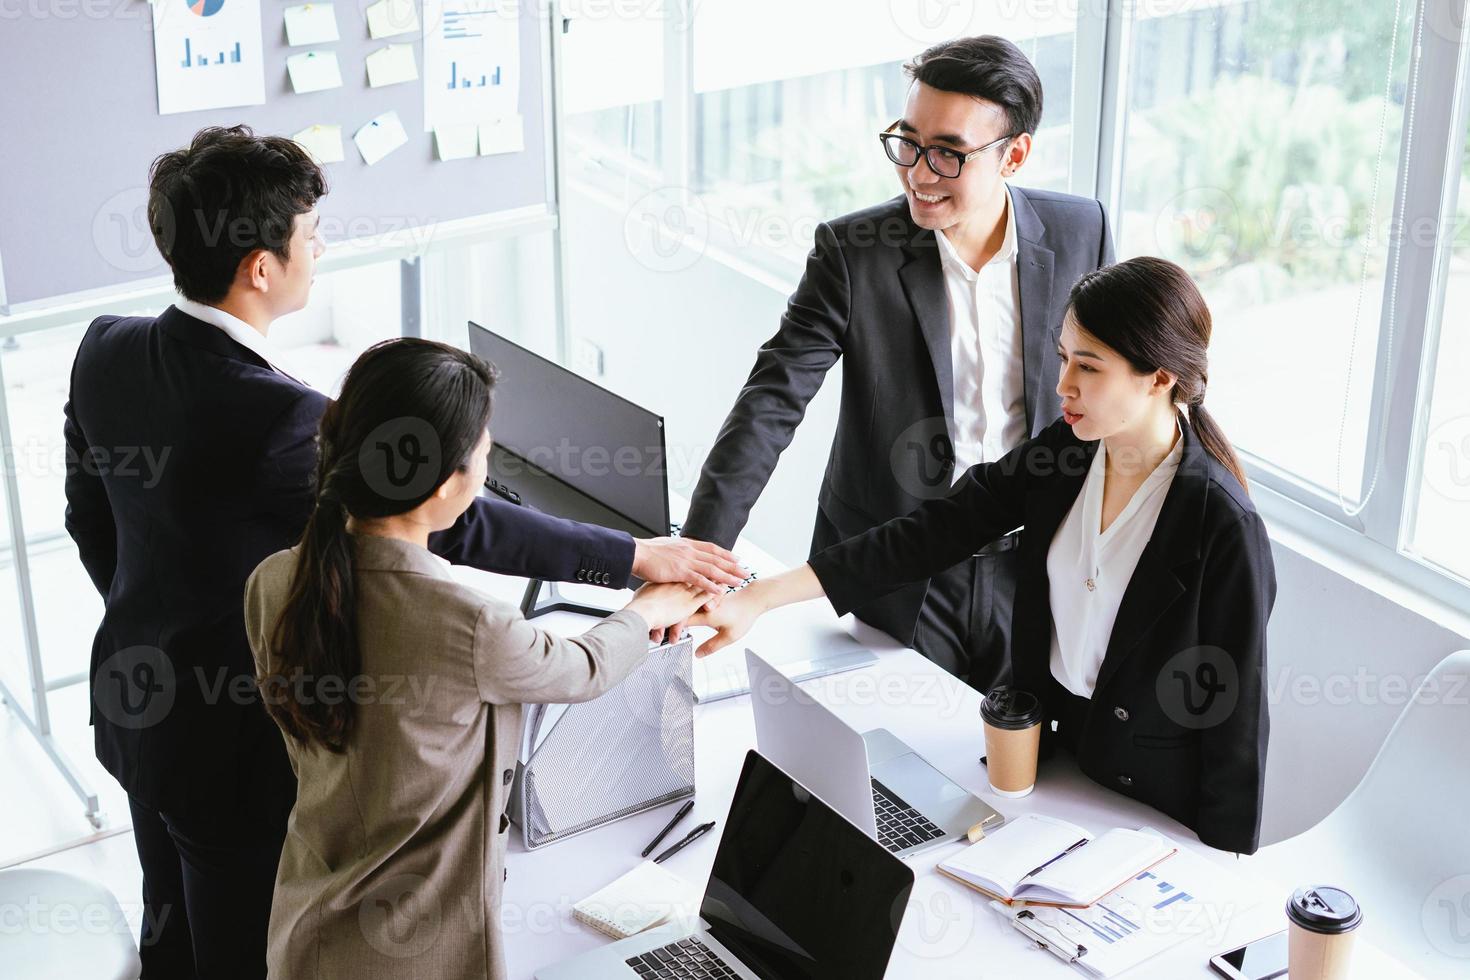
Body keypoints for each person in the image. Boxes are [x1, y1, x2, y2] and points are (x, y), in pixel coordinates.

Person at [62, 125, 742, 978]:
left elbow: (91, 520)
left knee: (170, 930)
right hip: (226, 746)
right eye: (309, 233)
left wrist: (154, 611)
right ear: (260, 267)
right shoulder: (280, 418)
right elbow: (456, 520)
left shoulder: (107, 348)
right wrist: (632, 557)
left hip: (134, 700)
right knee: (235, 947)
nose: (317, 247)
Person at [691, 257, 1276, 854]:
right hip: (1053, 769)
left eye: (1088, 366)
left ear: (1158, 377)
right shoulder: (1066, 455)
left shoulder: (1222, 523)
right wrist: (759, 598)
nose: (1063, 384)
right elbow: (935, 530)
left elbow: (1236, 720)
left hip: (1151, 815)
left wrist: (1222, 869)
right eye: (1064, 356)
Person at [243, 338, 705, 977]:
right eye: (483, 458)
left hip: (309, 921)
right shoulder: (469, 624)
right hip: (411, 944)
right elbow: (582, 668)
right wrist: (649, 609)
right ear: (442, 489)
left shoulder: (273, 581)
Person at [677, 36, 1115, 693]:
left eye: (947, 152)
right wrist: (697, 558)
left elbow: (1117, 388)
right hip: (901, 565)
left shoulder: (1082, 231)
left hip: (1036, 560)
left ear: (1014, 154)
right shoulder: (855, 250)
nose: (917, 172)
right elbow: (772, 402)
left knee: (1020, 766)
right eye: (907, 142)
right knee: (889, 763)